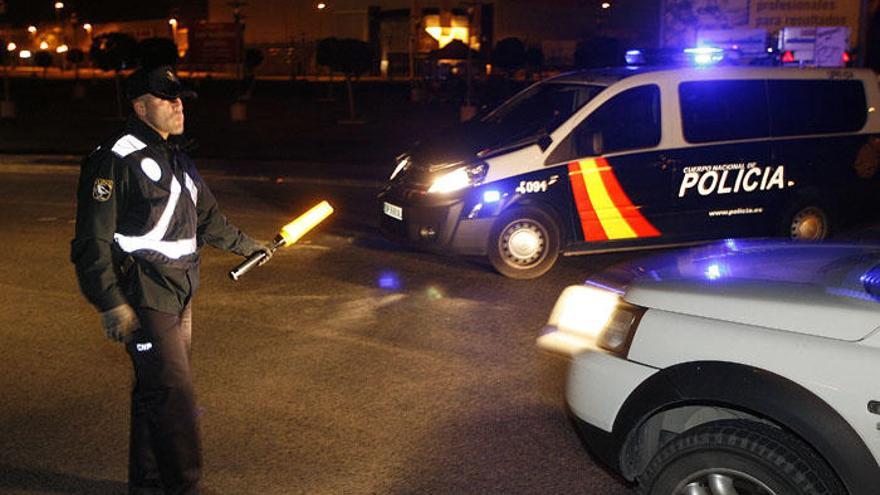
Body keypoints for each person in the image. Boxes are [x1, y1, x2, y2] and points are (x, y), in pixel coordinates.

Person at [70, 65, 271, 495]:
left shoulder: (177, 155)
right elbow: (91, 240)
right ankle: (185, 486)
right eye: (166, 98)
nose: (178, 105)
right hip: (143, 294)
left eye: (180, 97)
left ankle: (147, 483)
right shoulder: (114, 158)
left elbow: (207, 219)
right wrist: (109, 301)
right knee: (175, 398)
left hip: (181, 293)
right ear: (140, 105)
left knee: (154, 394)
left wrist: (248, 245)